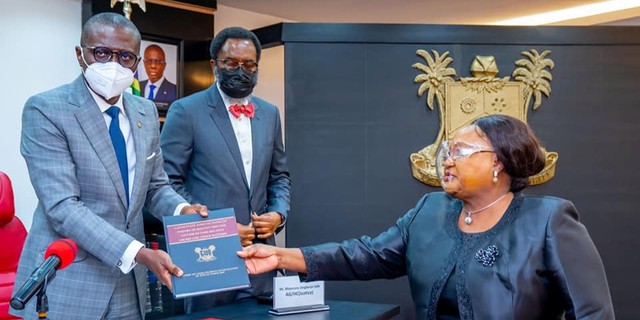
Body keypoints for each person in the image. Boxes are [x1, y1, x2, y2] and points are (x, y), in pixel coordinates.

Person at [238, 114, 615, 319]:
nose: (447, 159)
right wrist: (279, 256)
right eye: (447, 150)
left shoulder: (549, 219)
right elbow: (367, 255)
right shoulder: (430, 210)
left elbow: (593, 312)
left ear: (499, 161)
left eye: (462, 150)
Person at [10, 13, 207, 320]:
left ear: (136, 62)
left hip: (129, 285)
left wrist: (184, 212)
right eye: (101, 52)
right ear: (80, 54)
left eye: (125, 56)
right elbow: (63, 207)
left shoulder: (145, 112)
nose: (113, 64)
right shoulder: (46, 109)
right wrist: (139, 253)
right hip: (71, 279)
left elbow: (155, 187)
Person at [160, 26, 291, 312]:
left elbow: (278, 176)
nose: (240, 70)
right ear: (214, 65)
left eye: (249, 64)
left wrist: (278, 214)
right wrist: (216, 226)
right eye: (231, 63)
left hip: (261, 260)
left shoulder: (270, 113)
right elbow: (166, 184)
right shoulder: (186, 111)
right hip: (207, 259)